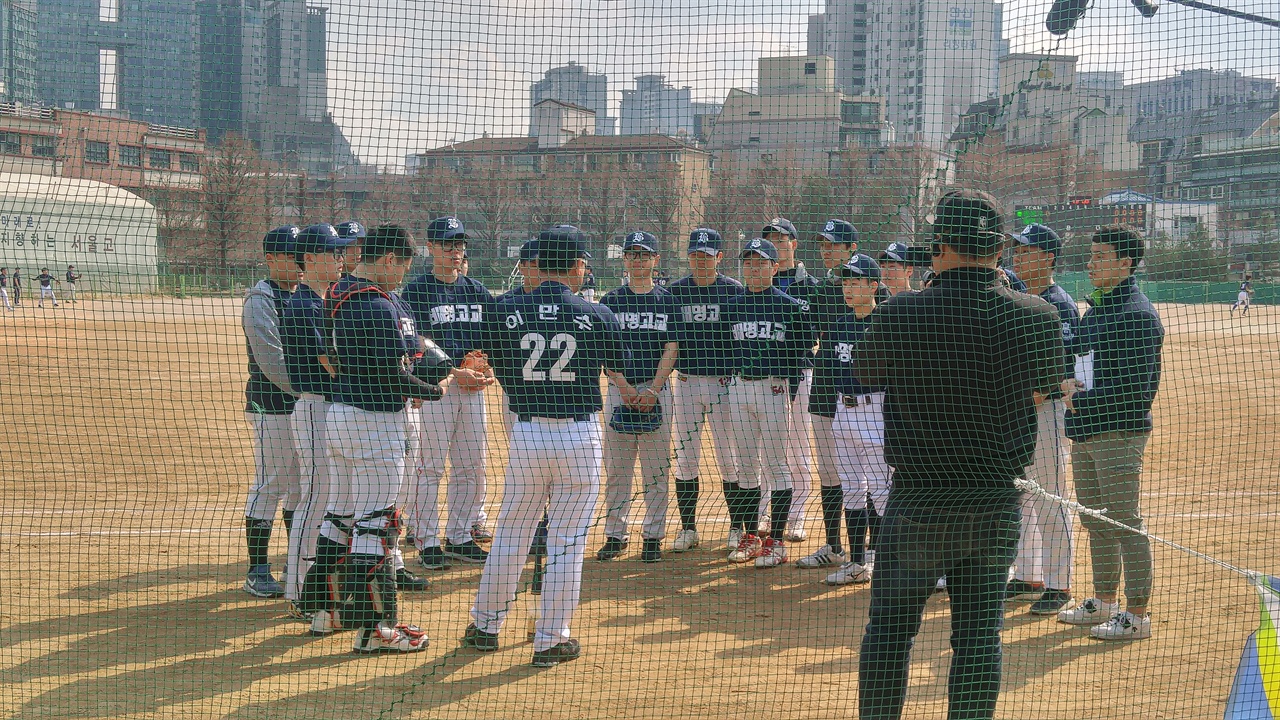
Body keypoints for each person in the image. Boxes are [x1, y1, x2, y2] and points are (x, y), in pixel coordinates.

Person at [854, 189, 1063, 720]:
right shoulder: (1035, 314)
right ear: (998, 249)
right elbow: (1045, 387)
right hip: (991, 502)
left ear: (938, 246)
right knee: (976, 638)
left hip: (919, 501)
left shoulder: (900, 311)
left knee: (889, 635)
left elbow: (866, 375)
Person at [460, 224, 634, 667]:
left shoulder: (503, 309)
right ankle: (551, 639)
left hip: (527, 434)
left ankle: (485, 626)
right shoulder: (596, 312)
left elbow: (481, 363)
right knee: (567, 541)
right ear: (577, 266)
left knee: (512, 533)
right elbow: (620, 371)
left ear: (535, 263)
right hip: (580, 436)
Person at [313, 224, 448, 652]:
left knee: (339, 515)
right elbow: (394, 375)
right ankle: (376, 631)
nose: (404, 276)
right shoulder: (380, 306)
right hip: (376, 423)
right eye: (403, 265)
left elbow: (334, 358)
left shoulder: (338, 293)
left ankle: (325, 612)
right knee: (379, 524)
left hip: (340, 416)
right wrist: (433, 388)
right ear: (389, 259)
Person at [1057, 224, 1164, 641]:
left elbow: (1138, 391)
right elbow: (1078, 363)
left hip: (1118, 434)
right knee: (1095, 519)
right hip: (1085, 432)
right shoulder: (1097, 310)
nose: (1091, 262)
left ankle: (1136, 614)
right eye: (1092, 254)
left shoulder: (1136, 315)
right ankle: (1104, 601)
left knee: (1124, 522)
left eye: (1100, 256)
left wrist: (1080, 399)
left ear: (1125, 263)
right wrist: (1066, 384)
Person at [400, 217, 496, 570]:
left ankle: (459, 536)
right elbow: (417, 346)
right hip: (436, 391)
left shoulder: (477, 291)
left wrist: (486, 370)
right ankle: (426, 539)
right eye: (448, 245)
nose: (456, 251)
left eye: (460, 245)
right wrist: (458, 372)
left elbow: (493, 341)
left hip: (473, 392)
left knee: (471, 466)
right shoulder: (416, 291)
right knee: (430, 468)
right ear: (431, 248)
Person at [721, 238, 815, 568]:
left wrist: (786, 384)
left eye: (761, 262)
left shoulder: (790, 306)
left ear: (775, 267)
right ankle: (750, 536)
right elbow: (724, 349)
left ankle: (775, 541)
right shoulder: (732, 305)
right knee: (745, 465)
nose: (754, 268)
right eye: (749, 262)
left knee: (776, 465)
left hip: (774, 390)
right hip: (739, 390)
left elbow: (802, 349)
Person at [1007, 223, 1081, 616]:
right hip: (1015, 412)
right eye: (1017, 250)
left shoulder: (1059, 304)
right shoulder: (1016, 295)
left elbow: (1060, 372)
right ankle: (1028, 574)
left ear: (1048, 258)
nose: (1019, 256)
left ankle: (1058, 583)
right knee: (1020, 496)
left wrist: (1024, 396)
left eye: (1027, 251)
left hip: (1045, 413)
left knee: (1051, 497)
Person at [800, 254, 886, 587]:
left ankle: (885, 559)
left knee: (881, 491)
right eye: (845, 282)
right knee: (851, 489)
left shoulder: (886, 322)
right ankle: (856, 562)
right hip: (843, 413)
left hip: (876, 411)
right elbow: (831, 375)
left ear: (873, 285)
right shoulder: (838, 326)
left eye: (855, 282)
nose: (848, 288)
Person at [597, 231, 679, 563]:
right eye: (632, 254)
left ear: (655, 260)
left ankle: (653, 536)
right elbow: (603, 350)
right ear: (625, 259)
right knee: (618, 469)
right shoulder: (610, 301)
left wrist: (654, 388)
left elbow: (672, 346)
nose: (638, 260)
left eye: (645, 254)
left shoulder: (667, 299)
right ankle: (615, 534)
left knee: (656, 470)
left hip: (656, 390)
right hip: (620, 390)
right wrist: (623, 386)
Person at [667, 229, 744, 552]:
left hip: (724, 384)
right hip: (686, 382)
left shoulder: (733, 291)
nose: (701, 260)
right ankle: (688, 528)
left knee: (729, 459)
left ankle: (737, 527)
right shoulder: (675, 292)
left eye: (708, 255)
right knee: (686, 458)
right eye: (696, 254)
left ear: (719, 258)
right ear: (689, 256)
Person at [241, 226, 303, 599]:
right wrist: (311, 392)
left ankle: (294, 561)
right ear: (271, 259)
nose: (300, 263)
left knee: (303, 486)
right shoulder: (261, 300)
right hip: (273, 404)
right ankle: (257, 569)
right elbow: (271, 361)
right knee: (272, 483)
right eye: (294, 256)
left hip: (306, 407)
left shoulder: (307, 295)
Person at [800, 219, 863, 575]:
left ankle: (867, 550)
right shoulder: (822, 288)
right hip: (824, 387)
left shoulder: (871, 287)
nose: (826, 249)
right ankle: (833, 546)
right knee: (828, 471)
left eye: (834, 244)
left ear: (852, 247)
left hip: (862, 394)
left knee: (868, 474)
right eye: (823, 244)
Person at [760, 217, 818, 542]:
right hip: (764, 378)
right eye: (771, 240)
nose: (777, 244)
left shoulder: (808, 285)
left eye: (782, 240)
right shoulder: (756, 284)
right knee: (766, 451)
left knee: (796, 448)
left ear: (793, 244)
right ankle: (769, 514)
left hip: (799, 374)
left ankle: (795, 517)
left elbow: (812, 336)